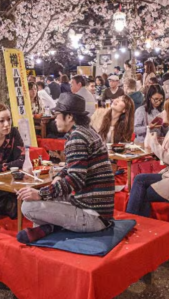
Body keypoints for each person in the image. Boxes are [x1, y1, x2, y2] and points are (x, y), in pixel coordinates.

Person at [17, 93, 115, 243]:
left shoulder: (77, 138)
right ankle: (50, 228)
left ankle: (51, 229)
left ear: (69, 117)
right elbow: (74, 168)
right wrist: (60, 176)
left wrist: (41, 193)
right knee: (48, 196)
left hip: (93, 215)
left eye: (57, 115)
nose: (55, 119)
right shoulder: (87, 131)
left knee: (28, 206)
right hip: (98, 210)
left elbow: (75, 180)